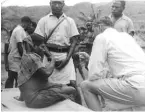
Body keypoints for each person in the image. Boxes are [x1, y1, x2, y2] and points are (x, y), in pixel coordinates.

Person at [80, 16, 145, 111]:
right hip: (140, 83)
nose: (92, 35)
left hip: (134, 86)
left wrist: (90, 65)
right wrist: (90, 60)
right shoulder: (126, 37)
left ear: (99, 27)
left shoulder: (101, 37)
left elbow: (94, 74)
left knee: (85, 85)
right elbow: (123, 67)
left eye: (93, 30)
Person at [35, 0, 82, 104]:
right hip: (48, 56)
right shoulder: (43, 20)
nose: (56, 5)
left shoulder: (69, 21)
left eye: (59, 3)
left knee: (73, 84)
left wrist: (66, 60)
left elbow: (74, 41)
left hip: (65, 56)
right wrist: (51, 58)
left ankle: (81, 108)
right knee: (46, 85)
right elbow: (40, 41)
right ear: (50, 4)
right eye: (54, 3)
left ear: (63, 4)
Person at [15, 33, 76, 108]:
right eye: (42, 46)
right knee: (71, 90)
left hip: (32, 97)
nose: (43, 49)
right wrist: (53, 59)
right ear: (33, 46)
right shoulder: (32, 58)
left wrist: (22, 97)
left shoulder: (26, 56)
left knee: (63, 86)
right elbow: (47, 73)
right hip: (35, 100)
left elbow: (23, 80)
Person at [5, 16, 32, 88]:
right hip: (15, 57)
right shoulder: (19, 30)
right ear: (25, 23)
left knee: (17, 78)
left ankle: (14, 93)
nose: (29, 27)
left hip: (18, 58)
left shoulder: (22, 31)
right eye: (29, 25)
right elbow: (19, 45)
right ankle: (6, 93)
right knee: (12, 77)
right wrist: (24, 57)